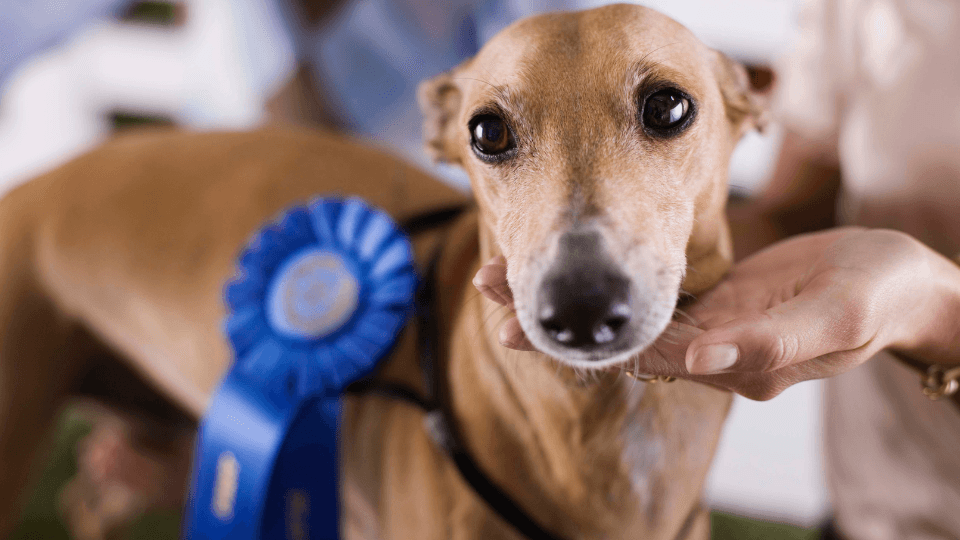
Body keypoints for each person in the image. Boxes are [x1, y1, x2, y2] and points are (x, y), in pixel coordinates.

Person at [479, 0, 960, 538]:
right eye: (492, 135)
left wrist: (935, 314)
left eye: (665, 110)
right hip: (876, 506)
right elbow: (794, 213)